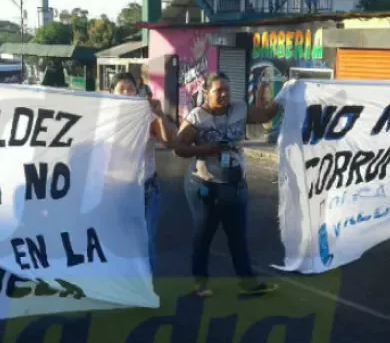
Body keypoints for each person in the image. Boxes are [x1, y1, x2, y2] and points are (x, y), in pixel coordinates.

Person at [173, 73, 282, 297]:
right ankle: (200, 283)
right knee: (204, 235)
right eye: (218, 91)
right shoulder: (197, 117)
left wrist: (288, 91)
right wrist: (207, 149)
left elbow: (266, 114)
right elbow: (179, 148)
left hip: (234, 185)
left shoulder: (240, 109)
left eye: (227, 90)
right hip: (205, 186)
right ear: (206, 93)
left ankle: (247, 283)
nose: (224, 95)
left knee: (238, 236)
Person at [110, 72, 178, 273]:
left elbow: (168, 141)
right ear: (111, 92)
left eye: (130, 89)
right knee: (119, 241)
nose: (126, 93)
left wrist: (159, 115)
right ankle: (124, 287)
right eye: (121, 89)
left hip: (147, 190)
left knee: (146, 242)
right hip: (116, 191)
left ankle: (145, 288)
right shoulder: (104, 118)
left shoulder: (147, 115)